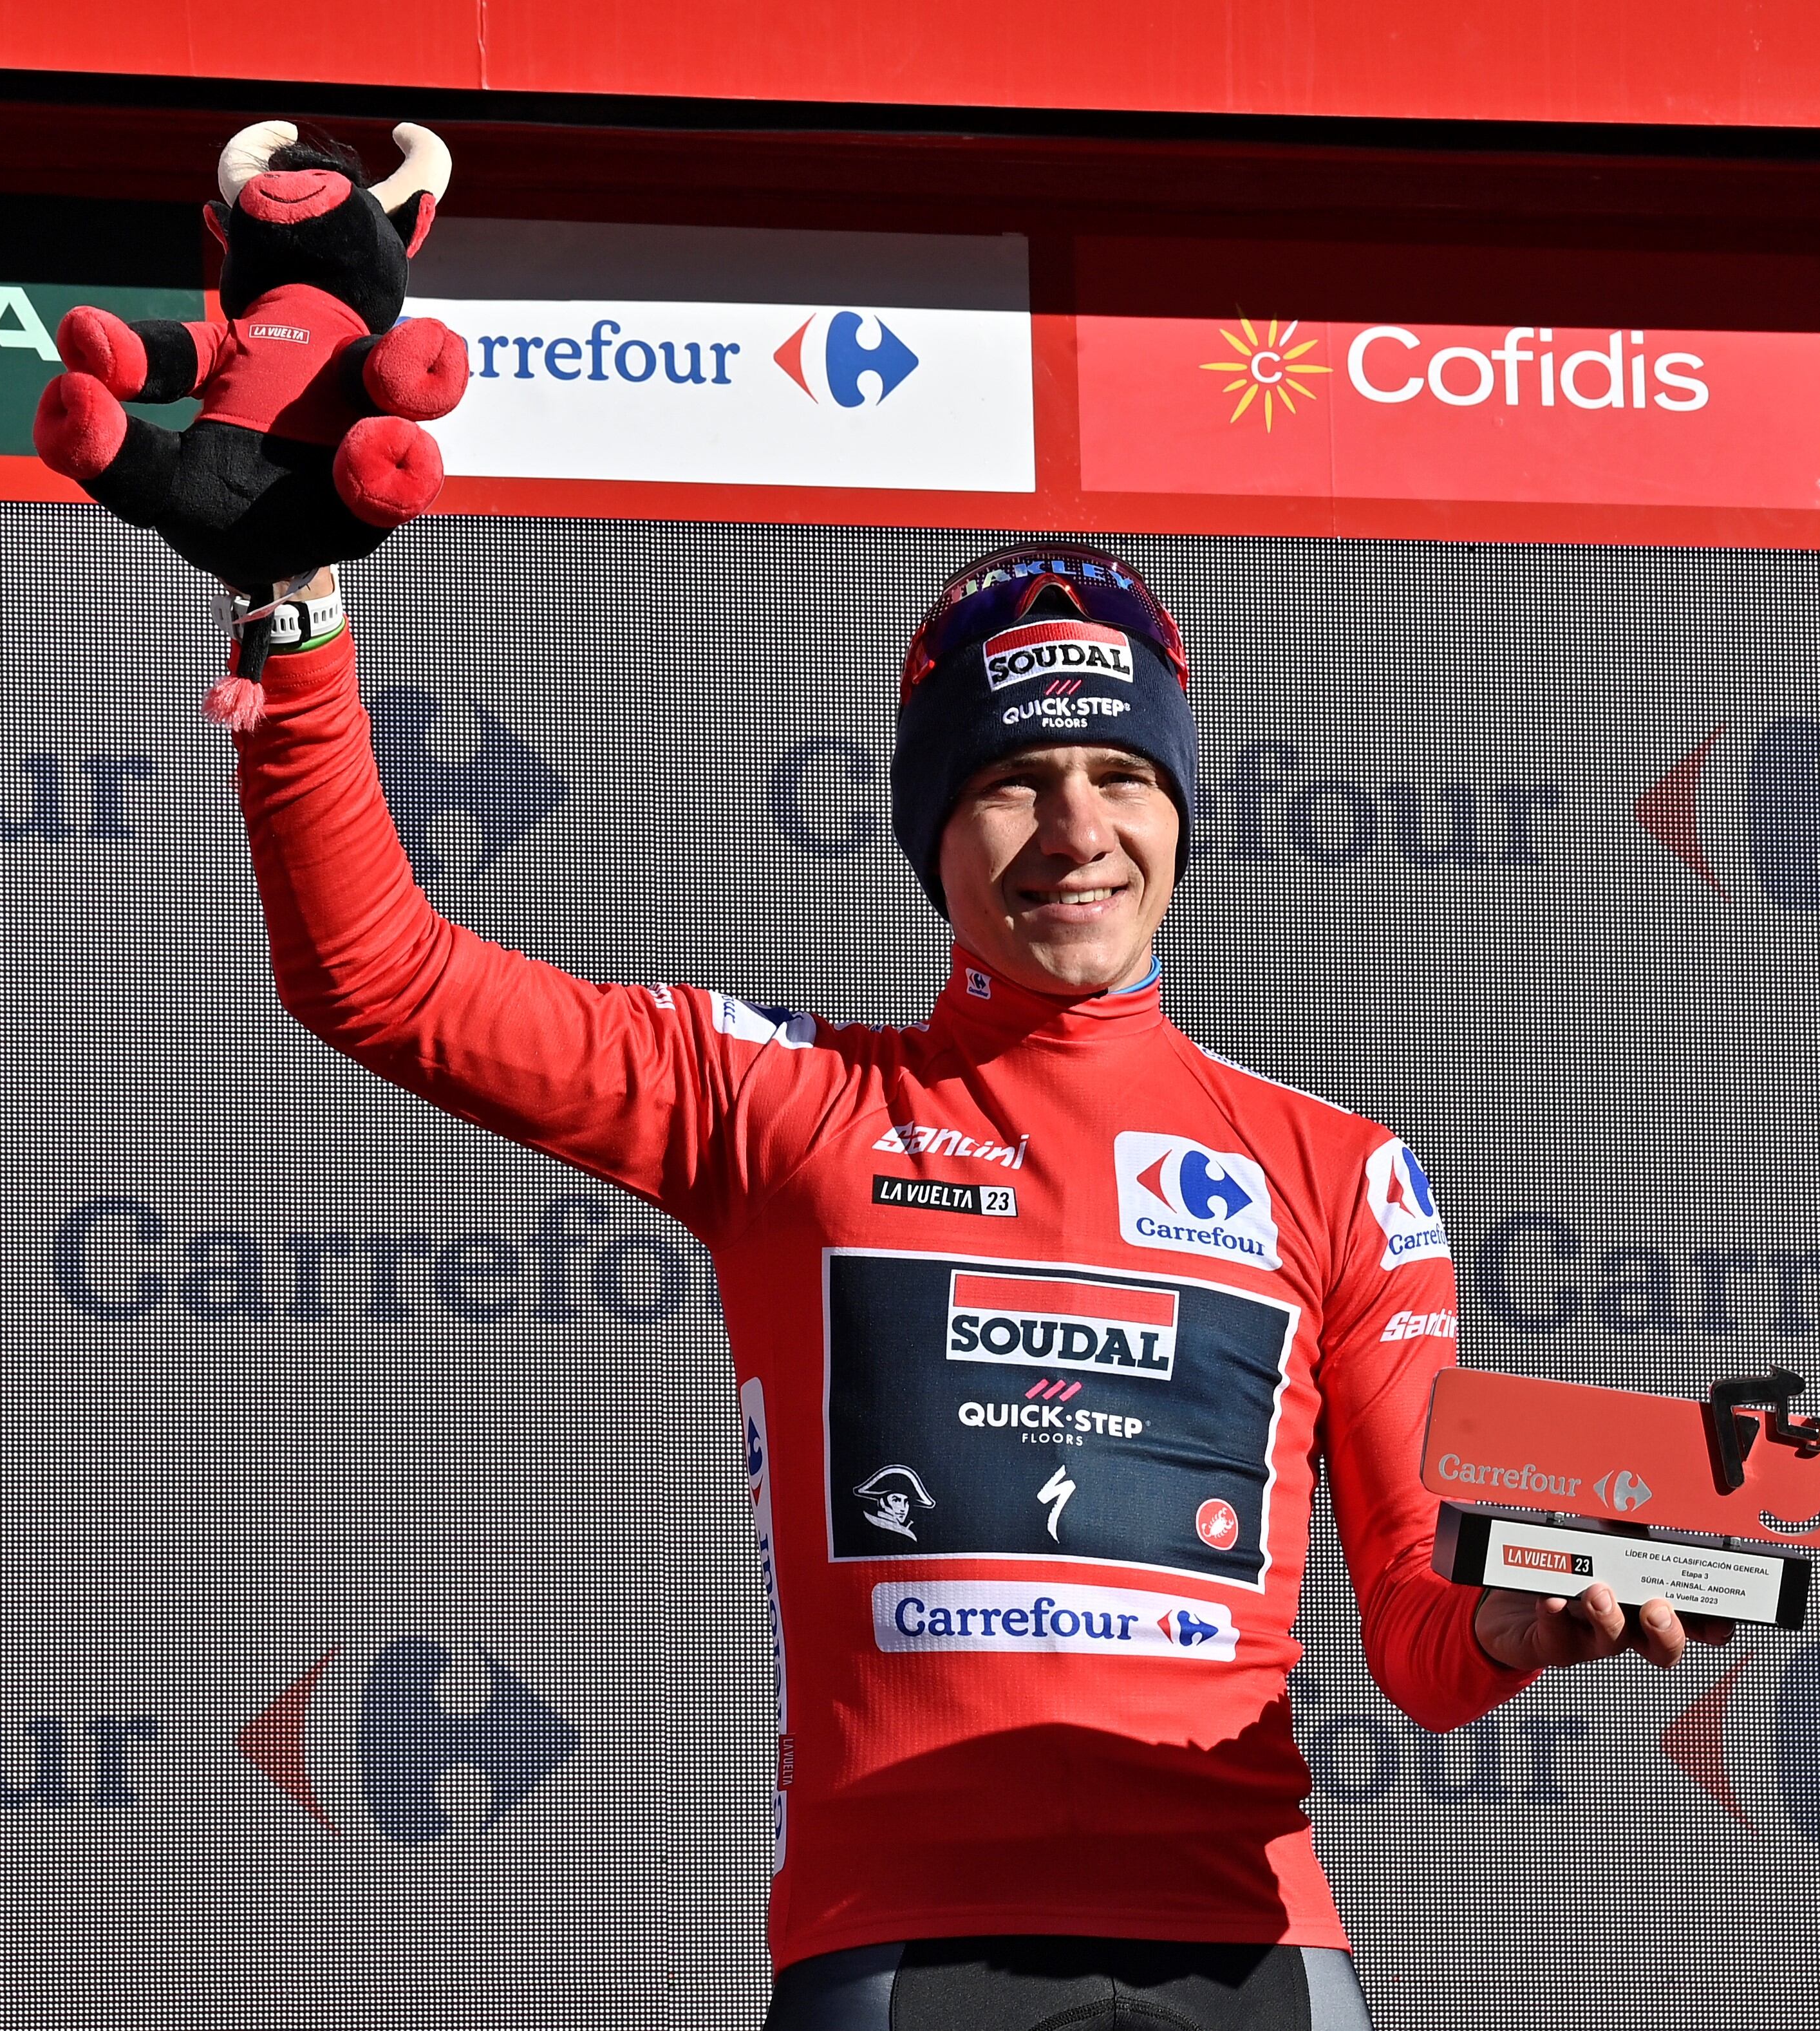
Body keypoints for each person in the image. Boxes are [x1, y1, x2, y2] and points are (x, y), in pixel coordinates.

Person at [227, 539, 1724, 2031]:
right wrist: (295, 619)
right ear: (929, 831)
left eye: (1122, 775)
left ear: (1182, 814)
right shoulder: (790, 1103)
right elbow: (380, 977)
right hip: (897, 1947)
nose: (1077, 828)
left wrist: (1513, 1625)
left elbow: (1419, 1631)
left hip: (1252, 1957)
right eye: (1013, 780)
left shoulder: (1340, 1172)